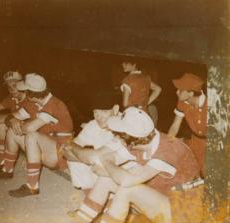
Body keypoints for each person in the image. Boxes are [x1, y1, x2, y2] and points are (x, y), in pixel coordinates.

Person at [71, 107, 201, 223]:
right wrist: (110, 166)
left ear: (130, 141)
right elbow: (99, 168)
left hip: (187, 211)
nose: (115, 137)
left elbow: (124, 179)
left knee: (127, 189)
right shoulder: (142, 139)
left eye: (118, 135)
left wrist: (107, 162)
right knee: (106, 180)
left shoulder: (169, 150)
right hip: (164, 197)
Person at [5, 73, 74, 197]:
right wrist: (13, 120)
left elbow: (29, 128)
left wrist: (19, 123)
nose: (23, 93)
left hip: (61, 155)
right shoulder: (33, 103)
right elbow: (10, 117)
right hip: (45, 149)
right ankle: (6, 171)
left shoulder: (55, 105)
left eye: (25, 91)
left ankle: (32, 186)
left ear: (31, 94)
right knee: (12, 131)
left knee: (31, 135)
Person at [62, 104, 136, 193]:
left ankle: (105, 194)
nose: (99, 117)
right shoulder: (93, 124)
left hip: (124, 172)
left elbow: (93, 157)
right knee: (72, 155)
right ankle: (90, 189)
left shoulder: (124, 126)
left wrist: (72, 145)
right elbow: (65, 151)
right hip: (98, 165)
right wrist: (85, 157)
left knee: (86, 156)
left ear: (115, 109)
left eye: (104, 111)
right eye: (96, 112)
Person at [168, 73, 206, 177]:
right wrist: (168, 143)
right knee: (192, 170)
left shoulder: (212, 105)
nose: (177, 92)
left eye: (180, 90)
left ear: (191, 93)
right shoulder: (182, 102)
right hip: (194, 140)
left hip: (210, 144)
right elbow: (175, 125)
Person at [119, 60, 161, 124]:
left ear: (134, 64)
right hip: (144, 114)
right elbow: (158, 89)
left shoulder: (127, 80)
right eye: (123, 63)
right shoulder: (146, 78)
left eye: (126, 63)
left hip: (132, 115)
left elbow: (125, 103)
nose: (123, 65)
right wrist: (147, 102)